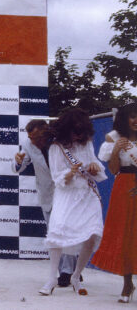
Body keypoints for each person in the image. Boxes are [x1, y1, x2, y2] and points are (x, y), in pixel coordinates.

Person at [40, 108, 107, 296]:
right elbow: (57, 177)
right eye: (75, 130)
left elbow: (97, 167)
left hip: (87, 195)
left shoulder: (87, 144)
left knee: (92, 233)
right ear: (67, 128)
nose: (79, 135)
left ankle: (76, 276)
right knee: (57, 231)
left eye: (82, 131)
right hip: (66, 195)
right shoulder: (56, 147)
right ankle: (52, 277)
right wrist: (71, 172)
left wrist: (94, 168)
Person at [13, 119, 78, 287]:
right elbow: (19, 168)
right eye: (31, 137)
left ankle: (67, 272)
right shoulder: (27, 144)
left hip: (66, 190)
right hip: (47, 194)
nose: (33, 141)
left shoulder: (61, 142)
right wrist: (18, 162)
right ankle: (67, 269)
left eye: (37, 137)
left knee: (66, 230)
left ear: (46, 132)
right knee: (54, 232)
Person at [91, 102, 137, 303]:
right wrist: (117, 150)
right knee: (125, 234)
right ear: (124, 118)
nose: (136, 121)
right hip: (125, 187)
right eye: (132, 116)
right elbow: (113, 170)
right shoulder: (115, 138)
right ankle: (127, 284)